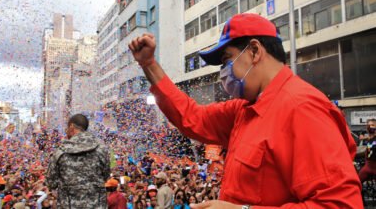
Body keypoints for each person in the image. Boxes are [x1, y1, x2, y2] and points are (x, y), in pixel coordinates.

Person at [128, 13, 362, 208]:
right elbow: (192, 117)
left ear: (254, 50)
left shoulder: (302, 109)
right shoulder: (245, 109)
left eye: (226, 60)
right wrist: (149, 64)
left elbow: (340, 204)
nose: (223, 72)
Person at [46, 114, 110, 208]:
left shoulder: (60, 152)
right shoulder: (101, 149)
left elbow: (51, 183)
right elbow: (106, 176)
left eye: (66, 128)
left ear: (71, 126)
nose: (66, 131)